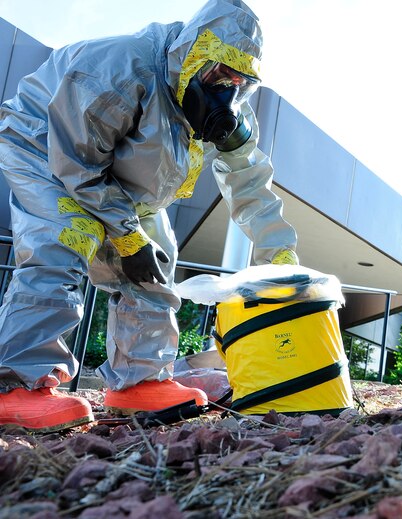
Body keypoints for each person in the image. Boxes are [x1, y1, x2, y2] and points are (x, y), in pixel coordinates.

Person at [0, 0, 298, 432]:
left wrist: (281, 260)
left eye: (238, 80)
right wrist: (126, 236)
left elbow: (250, 182)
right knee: (66, 237)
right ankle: (15, 386)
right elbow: (77, 164)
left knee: (157, 257)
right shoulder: (118, 68)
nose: (226, 90)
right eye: (217, 75)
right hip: (45, 146)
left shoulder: (230, 112)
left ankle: (139, 381)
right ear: (192, 53)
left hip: (114, 174)